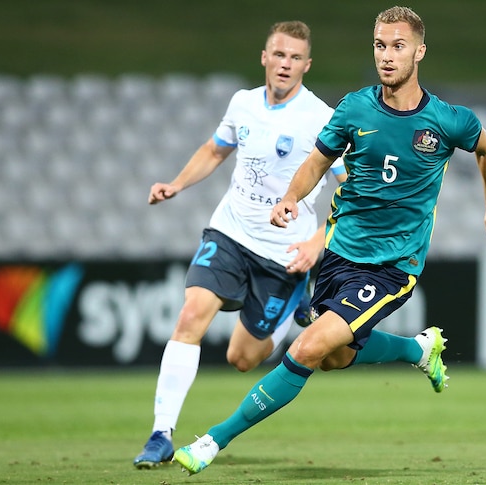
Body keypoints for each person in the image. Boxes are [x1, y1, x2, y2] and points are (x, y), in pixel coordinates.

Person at [171, 6, 486, 475]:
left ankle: (212, 440)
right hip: (338, 255)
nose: (387, 57)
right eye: (379, 45)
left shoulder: (449, 121)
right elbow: (316, 162)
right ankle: (419, 350)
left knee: (307, 348)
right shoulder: (354, 108)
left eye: (398, 46)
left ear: (419, 51)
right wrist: (291, 197)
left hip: (393, 266)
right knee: (335, 358)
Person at [133, 21, 347, 468]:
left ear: (307, 65)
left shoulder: (321, 119)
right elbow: (215, 150)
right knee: (191, 313)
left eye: (295, 58)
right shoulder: (243, 103)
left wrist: (317, 241)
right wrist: (176, 184)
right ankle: (160, 433)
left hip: (284, 256)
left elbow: (352, 189)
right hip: (229, 232)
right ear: (265, 57)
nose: (285, 64)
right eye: (279, 54)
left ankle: (293, 308)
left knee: (243, 358)